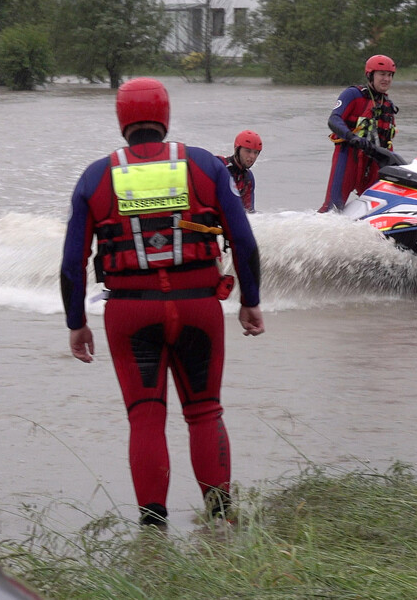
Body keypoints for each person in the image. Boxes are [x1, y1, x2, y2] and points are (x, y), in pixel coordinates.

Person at [60, 77, 265, 528]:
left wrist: (77, 322)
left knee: (146, 420)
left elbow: (73, 265)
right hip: (198, 307)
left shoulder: (96, 177)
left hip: (130, 313)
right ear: (165, 116)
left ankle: (153, 533)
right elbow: (244, 243)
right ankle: (222, 522)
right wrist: (251, 301)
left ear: (121, 119)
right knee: (205, 411)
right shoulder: (206, 167)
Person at [318, 54, 399, 213]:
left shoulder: (388, 105)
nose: (386, 79)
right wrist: (352, 137)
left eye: (389, 75)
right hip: (349, 157)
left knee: (380, 208)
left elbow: (386, 140)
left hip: (375, 162)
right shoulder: (353, 95)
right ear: (370, 75)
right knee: (333, 209)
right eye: (382, 74)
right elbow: (334, 120)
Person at [217, 130, 262, 213]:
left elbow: (249, 212)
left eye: (255, 152)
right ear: (237, 149)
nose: (252, 156)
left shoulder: (248, 178)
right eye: (248, 151)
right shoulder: (219, 165)